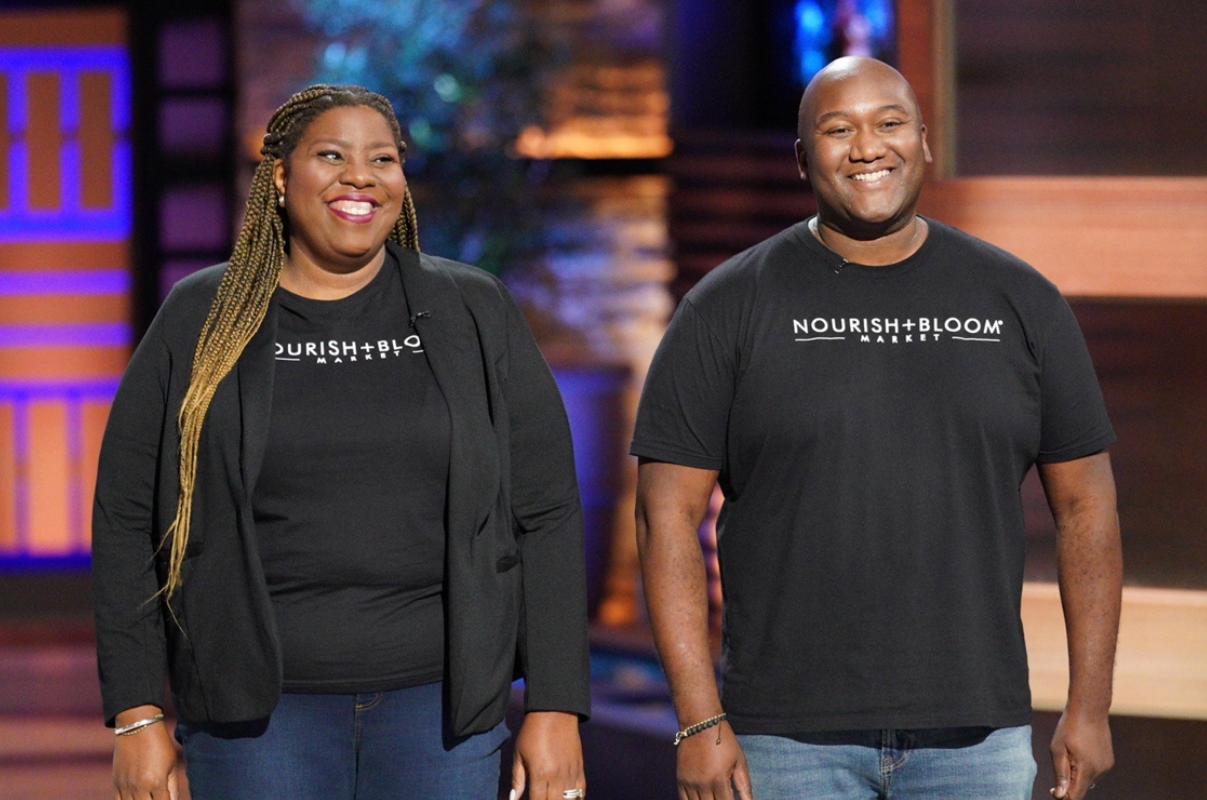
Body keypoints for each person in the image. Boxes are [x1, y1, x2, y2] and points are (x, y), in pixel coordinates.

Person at [632, 57, 1120, 800]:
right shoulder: (725, 306)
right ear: (803, 159)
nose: (868, 148)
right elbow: (664, 515)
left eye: (889, 123)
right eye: (839, 130)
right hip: (783, 740)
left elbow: (1087, 506)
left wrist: (1090, 705)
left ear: (924, 140)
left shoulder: (1021, 300)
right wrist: (699, 719)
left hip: (976, 738)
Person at [93, 84, 590, 800]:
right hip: (257, 723)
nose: (360, 176)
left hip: (442, 715)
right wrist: (136, 713)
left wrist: (555, 704)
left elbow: (546, 512)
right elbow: (125, 517)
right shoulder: (202, 316)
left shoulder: (472, 309)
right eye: (332, 155)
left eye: (382, 159)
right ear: (280, 177)